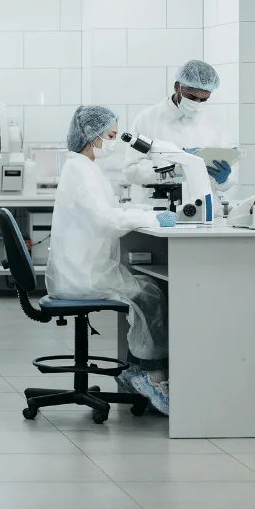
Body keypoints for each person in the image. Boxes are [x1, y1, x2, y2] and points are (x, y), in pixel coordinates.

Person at [47, 105, 176, 415]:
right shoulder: (80, 171)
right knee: (150, 294)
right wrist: (153, 218)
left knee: (146, 288)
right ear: (94, 137)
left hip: (83, 268)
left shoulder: (83, 167)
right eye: (112, 136)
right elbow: (105, 221)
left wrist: (146, 214)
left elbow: (107, 213)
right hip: (82, 276)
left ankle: (136, 372)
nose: (115, 142)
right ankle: (152, 376)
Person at [124, 60, 236, 198]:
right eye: (192, 97)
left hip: (202, 205)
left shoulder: (215, 122)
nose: (197, 104)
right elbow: (131, 170)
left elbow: (228, 171)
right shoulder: (147, 119)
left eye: (204, 100)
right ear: (177, 86)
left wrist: (224, 179)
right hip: (159, 208)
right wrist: (174, 168)